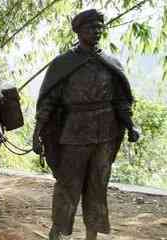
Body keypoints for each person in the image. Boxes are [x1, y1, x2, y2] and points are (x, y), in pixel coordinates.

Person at [32, 9, 140, 240]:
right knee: (67, 185)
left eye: (100, 27)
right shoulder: (63, 64)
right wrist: (37, 133)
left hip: (105, 135)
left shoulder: (110, 63)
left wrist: (131, 125)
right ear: (78, 31)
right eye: (91, 27)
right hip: (74, 134)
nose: (97, 31)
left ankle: (92, 234)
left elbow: (121, 101)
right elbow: (49, 102)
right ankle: (58, 230)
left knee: (98, 186)